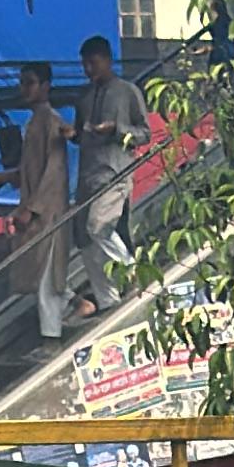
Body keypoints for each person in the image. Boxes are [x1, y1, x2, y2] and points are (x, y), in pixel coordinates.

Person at [67, 33, 150, 313]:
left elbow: (145, 133)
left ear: (107, 60)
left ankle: (134, 273)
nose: (88, 70)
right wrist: (73, 135)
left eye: (93, 63)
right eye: (85, 65)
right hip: (87, 176)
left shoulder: (127, 91)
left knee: (98, 227)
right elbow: (82, 135)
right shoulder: (84, 97)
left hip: (115, 172)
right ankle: (107, 299)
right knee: (83, 239)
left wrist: (116, 130)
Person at [9, 60, 71, 339]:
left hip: (47, 211)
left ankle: (52, 337)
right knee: (41, 275)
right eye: (22, 83)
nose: (24, 89)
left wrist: (31, 208)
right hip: (37, 209)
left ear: (45, 86)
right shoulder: (35, 121)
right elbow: (32, 168)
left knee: (48, 279)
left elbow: (53, 171)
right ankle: (75, 305)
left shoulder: (51, 121)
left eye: (30, 83)